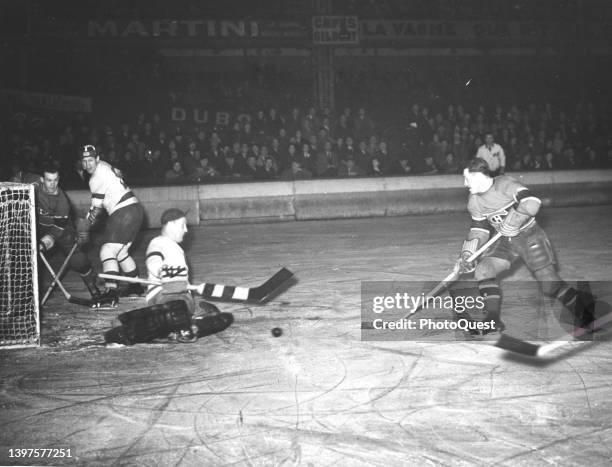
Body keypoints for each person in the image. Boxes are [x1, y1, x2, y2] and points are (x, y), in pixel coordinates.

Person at [457, 158, 595, 334]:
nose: (464, 183)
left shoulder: (505, 184)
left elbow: (532, 201)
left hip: (529, 236)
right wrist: (468, 253)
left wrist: (515, 219)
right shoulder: (474, 201)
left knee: (548, 283)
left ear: (478, 177)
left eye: (467, 178)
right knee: (483, 270)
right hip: (505, 242)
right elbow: (479, 230)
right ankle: (492, 319)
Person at [78, 144, 144, 306]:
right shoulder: (105, 165)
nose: (88, 164)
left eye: (91, 160)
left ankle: (111, 291)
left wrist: (84, 226)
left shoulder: (95, 178)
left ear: (97, 159)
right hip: (136, 209)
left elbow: (96, 210)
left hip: (123, 212)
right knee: (121, 253)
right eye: (84, 161)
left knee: (107, 250)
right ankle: (135, 286)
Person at [35, 163, 100, 300]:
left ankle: (93, 288)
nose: (53, 184)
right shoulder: (32, 183)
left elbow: (57, 229)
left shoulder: (62, 201)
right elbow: (19, 176)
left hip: (62, 230)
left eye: (56, 180)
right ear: (42, 179)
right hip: (37, 225)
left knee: (78, 260)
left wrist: (44, 243)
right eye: (49, 180)